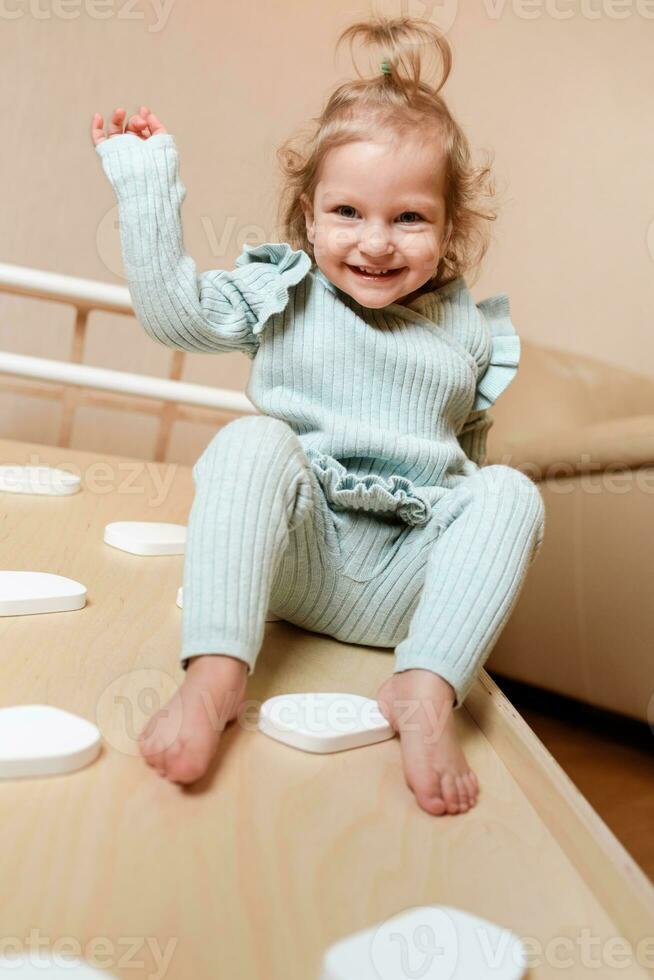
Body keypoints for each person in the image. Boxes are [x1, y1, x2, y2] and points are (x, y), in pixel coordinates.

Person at [90, 14, 545, 816]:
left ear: (450, 231)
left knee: (509, 490)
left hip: (405, 583)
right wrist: (145, 186)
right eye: (348, 213)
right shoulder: (286, 291)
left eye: (409, 218)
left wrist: (477, 534)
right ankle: (217, 673)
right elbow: (174, 318)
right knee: (254, 439)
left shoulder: (469, 331)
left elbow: (467, 465)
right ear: (307, 216)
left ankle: (425, 686)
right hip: (298, 560)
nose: (376, 242)